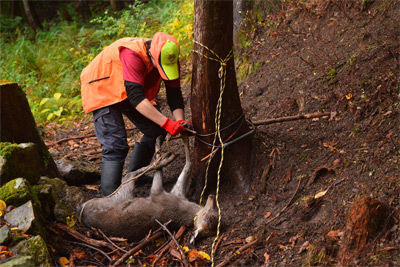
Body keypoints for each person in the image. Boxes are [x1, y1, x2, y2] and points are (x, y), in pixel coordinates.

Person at [80, 32, 191, 196]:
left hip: (126, 86)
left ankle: (136, 175)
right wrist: (167, 123)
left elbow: (174, 93)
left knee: (156, 130)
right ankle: (109, 196)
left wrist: (180, 122)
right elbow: (137, 98)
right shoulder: (132, 54)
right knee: (115, 144)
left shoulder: (169, 57)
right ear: (153, 56)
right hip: (101, 84)